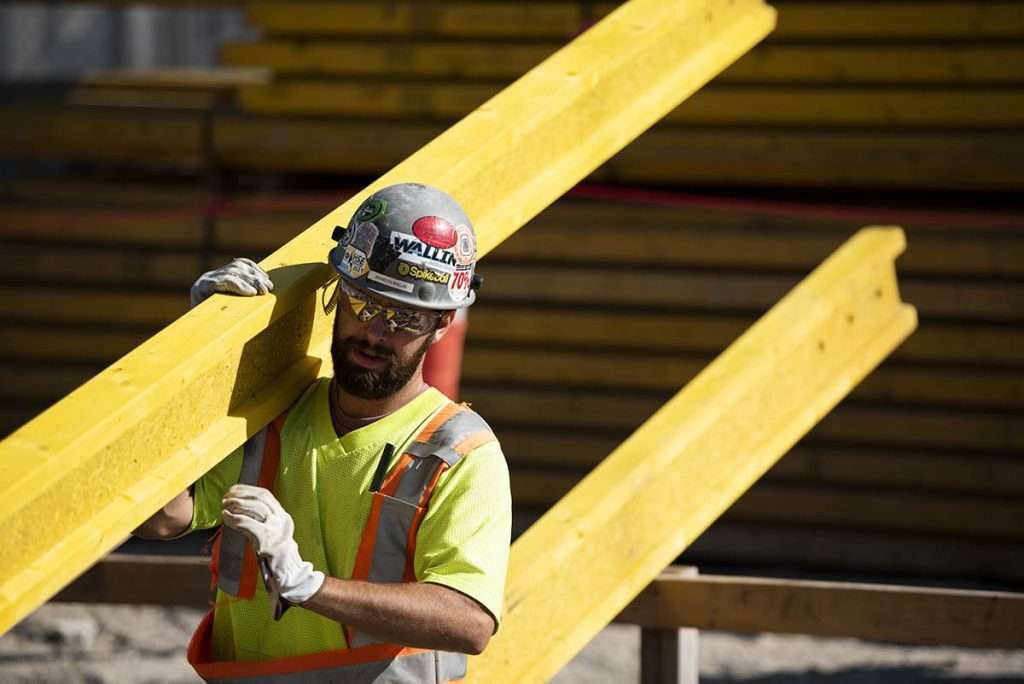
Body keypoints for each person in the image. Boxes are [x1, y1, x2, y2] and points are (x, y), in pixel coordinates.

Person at [135, 183, 511, 683]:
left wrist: (307, 585)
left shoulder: (459, 453)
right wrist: (197, 351)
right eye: (364, 304)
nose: (375, 333)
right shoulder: (277, 413)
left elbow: (470, 621)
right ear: (338, 292)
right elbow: (160, 519)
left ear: (442, 324)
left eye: (404, 318)